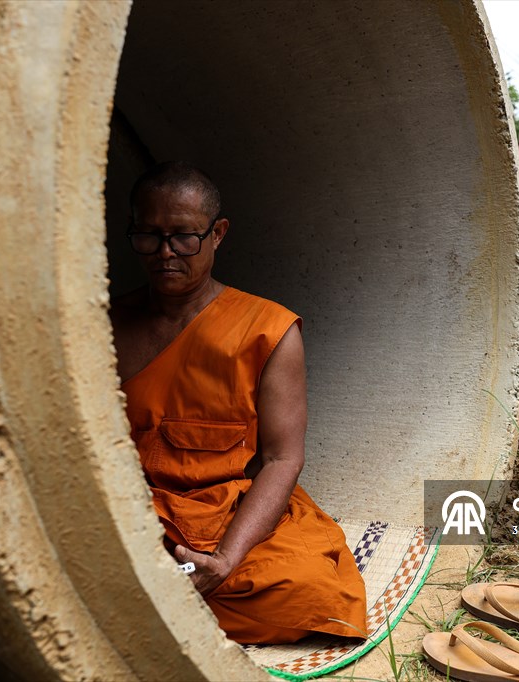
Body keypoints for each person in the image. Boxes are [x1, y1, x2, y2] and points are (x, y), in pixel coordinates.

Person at [110, 162, 368, 645]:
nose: (165, 253)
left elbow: (282, 458)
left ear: (217, 234)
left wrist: (226, 559)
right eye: (149, 235)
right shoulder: (104, 323)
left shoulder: (266, 329)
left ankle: (151, 606)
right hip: (137, 510)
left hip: (229, 512)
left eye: (184, 237)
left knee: (312, 594)